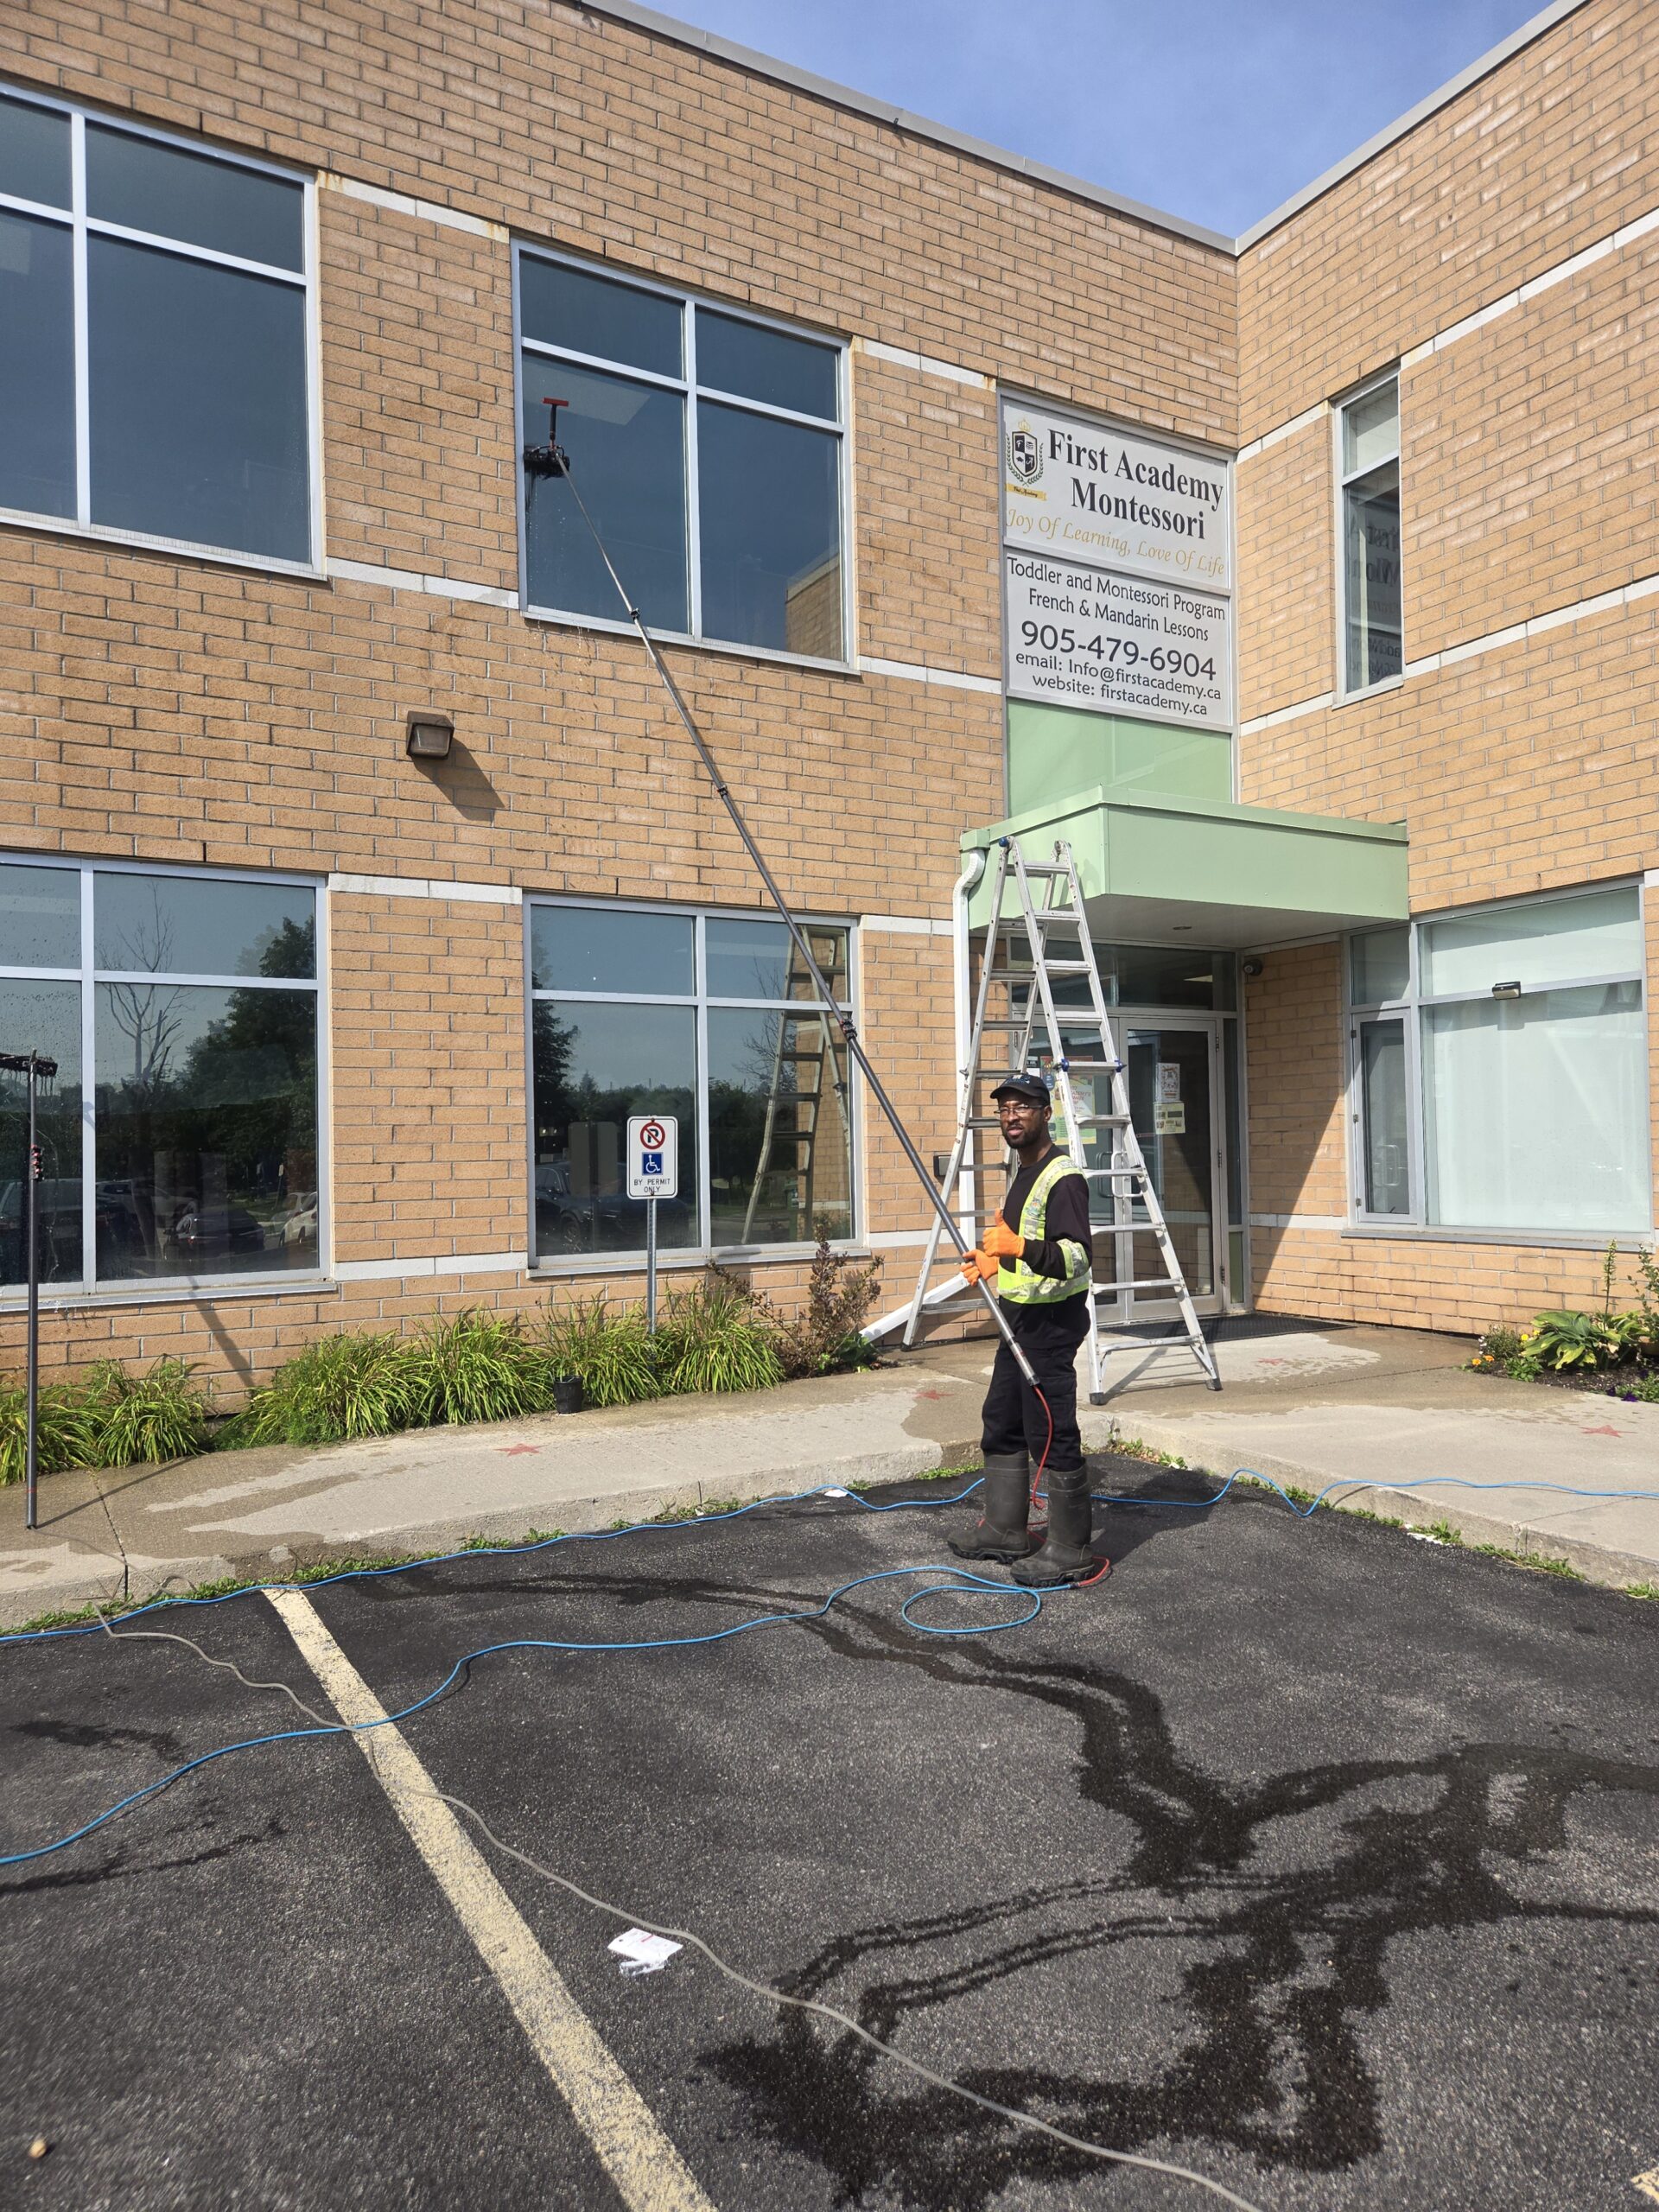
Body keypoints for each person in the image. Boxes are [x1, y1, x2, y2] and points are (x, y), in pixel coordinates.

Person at [948, 1071, 1104, 1587]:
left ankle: (1071, 1548)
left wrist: (1017, 1249)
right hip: (1018, 1315)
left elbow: (1077, 1258)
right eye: (1004, 1109)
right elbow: (1023, 1245)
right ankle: (1005, 1529)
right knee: (1003, 1420)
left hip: (1051, 1324)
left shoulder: (1063, 1178)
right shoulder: (1023, 1173)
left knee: (1049, 1429)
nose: (1011, 1117)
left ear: (1045, 1113)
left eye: (1022, 1107)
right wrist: (997, 1265)